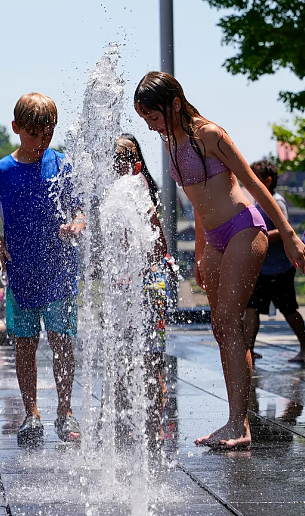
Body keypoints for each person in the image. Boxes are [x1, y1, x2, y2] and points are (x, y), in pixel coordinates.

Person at [134, 71, 305, 450]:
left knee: (228, 320)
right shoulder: (170, 142)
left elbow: (253, 183)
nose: (150, 125)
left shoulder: (210, 134)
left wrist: (290, 236)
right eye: (145, 119)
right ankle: (235, 419)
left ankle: (238, 424)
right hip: (213, 240)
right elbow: (196, 203)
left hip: (244, 228)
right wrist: (199, 251)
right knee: (220, 326)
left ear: (175, 103)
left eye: (154, 116)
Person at [0, 92, 84, 446]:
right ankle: (31, 413)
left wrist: (77, 225)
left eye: (48, 134)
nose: (41, 142)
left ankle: (65, 411)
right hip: (21, 273)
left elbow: (79, 211)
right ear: (16, 129)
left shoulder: (62, 164)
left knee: (62, 343)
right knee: (25, 345)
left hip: (60, 271)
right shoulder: (2, 172)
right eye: (34, 134)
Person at [104, 135, 169, 447]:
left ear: (133, 165)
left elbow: (158, 244)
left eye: (119, 163)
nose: (115, 170)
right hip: (129, 285)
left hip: (145, 285)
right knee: (125, 355)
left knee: (148, 357)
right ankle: (128, 423)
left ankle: (152, 425)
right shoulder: (121, 192)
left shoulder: (138, 189)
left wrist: (138, 272)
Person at [242, 159, 305, 363]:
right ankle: (248, 350)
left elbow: (284, 230)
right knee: (251, 307)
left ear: (267, 181)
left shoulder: (276, 201)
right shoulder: (259, 201)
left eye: (255, 179)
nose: (250, 183)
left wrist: (261, 236)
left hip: (279, 268)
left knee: (288, 309)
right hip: (262, 267)